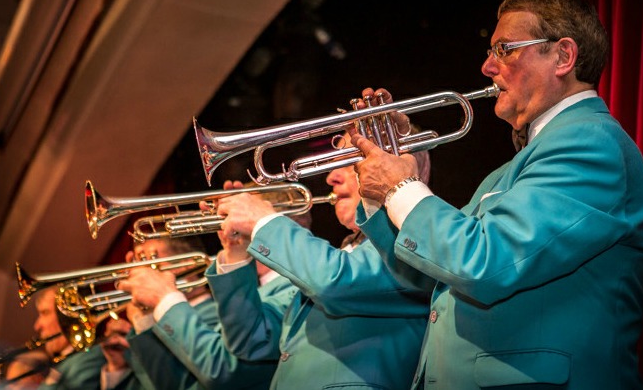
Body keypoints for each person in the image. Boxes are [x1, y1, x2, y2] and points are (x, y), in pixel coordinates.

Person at [350, 0, 643, 389]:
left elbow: (485, 263)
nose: (487, 66)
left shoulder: (591, 143)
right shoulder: (512, 169)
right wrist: (380, 187)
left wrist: (400, 186)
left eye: (504, 49)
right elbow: (430, 275)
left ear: (563, 56)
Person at [211, 143, 432, 389]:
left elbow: (336, 281)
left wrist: (263, 222)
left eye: (349, 161)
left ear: (399, 164)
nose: (331, 177)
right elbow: (253, 338)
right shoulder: (340, 254)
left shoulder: (411, 242)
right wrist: (236, 252)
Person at [117, 231, 294, 389]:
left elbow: (225, 371)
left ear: (187, 263)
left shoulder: (220, 311)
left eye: (151, 259)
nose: (142, 272)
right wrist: (144, 319)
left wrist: (164, 298)